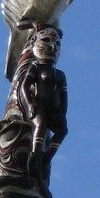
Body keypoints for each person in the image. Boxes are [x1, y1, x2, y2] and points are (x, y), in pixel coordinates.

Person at [20, 25, 68, 187]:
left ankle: (46, 158)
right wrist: (31, 103)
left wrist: (62, 113)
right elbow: (25, 86)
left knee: (62, 130)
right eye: (46, 40)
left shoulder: (59, 74)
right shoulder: (35, 66)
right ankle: (35, 155)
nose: (52, 46)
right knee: (40, 125)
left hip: (52, 109)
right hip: (38, 105)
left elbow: (63, 97)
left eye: (57, 43)